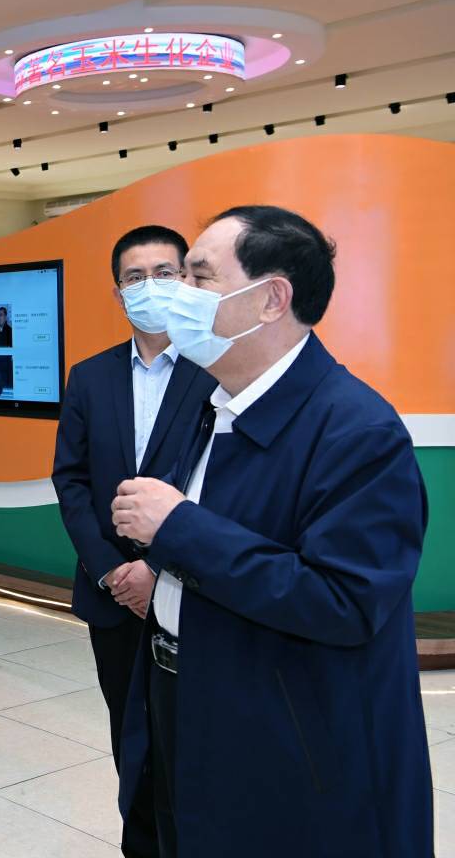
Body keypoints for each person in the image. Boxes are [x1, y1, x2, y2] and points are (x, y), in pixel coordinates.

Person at [111, 205, 432, 857]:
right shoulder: (215, 405)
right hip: (187, 698)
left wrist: (177, 529)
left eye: (199, 277)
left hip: (286, 740)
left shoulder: (357, 431)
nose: (178, 294)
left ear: (271, 299)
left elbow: (344, 601)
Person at [51, 226, 216, 858]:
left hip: (193, 595)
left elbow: (220, 489)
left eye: (165, 273)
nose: (151, 287)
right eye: (135, 277)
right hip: (113, 599)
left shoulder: (218, 372)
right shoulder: (90, 376)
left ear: (190, 280)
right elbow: (70, 480)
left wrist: (160, 570)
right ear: (118, 291)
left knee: (195, 738)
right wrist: (111, 571)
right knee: (130, 735)